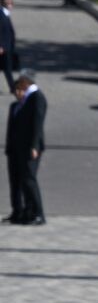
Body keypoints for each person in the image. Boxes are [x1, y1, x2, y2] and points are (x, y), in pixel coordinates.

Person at [4, 70, 45, 225]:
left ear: (27, 82)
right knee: (17, 180)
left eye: (21, 82)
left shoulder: (37, 97)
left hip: (29, 147)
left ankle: (38, 213)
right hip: (16, 148)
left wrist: (34, 145)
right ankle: (20, 212)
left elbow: (37, 123)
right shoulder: (19, 103)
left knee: (29, 179)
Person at [0, 0, 15, 92]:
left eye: (11, 2)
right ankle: (13, 88)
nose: (10, 5)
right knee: (7, 68)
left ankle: (13, 88)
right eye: (8, 3)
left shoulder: (5, 14)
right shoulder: (1, 14)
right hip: (3, 47)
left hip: (7, 46)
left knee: (7, 68)